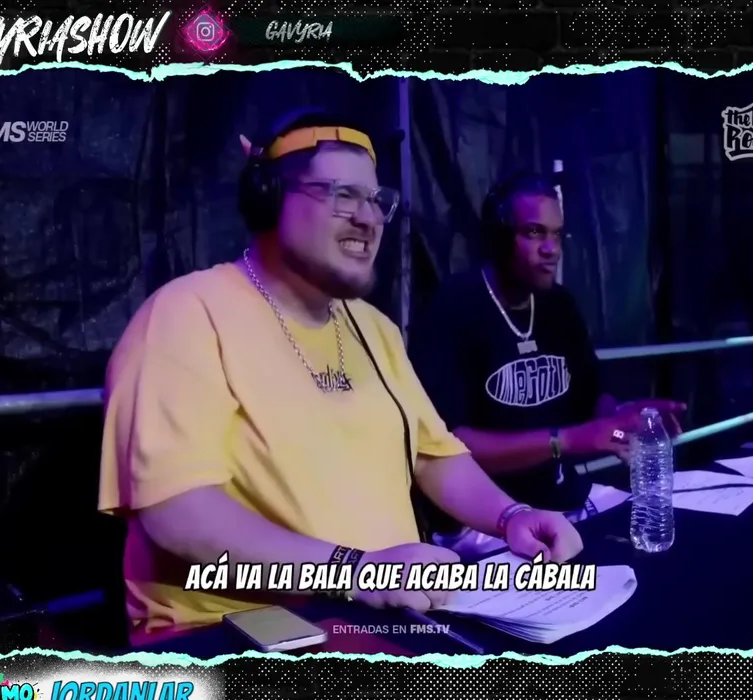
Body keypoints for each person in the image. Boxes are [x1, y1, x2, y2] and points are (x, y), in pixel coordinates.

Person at [98, 109, 583, 645]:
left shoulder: (375, 329)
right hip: (236, 634)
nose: (369, 218)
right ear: (270, 197)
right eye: (342, 195)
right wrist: (357, 570)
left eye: (376, 200)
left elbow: (434, 455)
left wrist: (510, 516)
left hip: (389, 616)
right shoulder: (185, 315)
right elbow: (178, 513)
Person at [410, 171, 685, 558]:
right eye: (534, 233)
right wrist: (566, 440)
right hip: (484, 522)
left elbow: (592, 397)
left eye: (557, 235)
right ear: (499, 237)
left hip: (562, 500)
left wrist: (621, 421)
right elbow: (449, 446)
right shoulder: (453, 308)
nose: (551, 249)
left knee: (664, 546)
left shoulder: (559, 305)